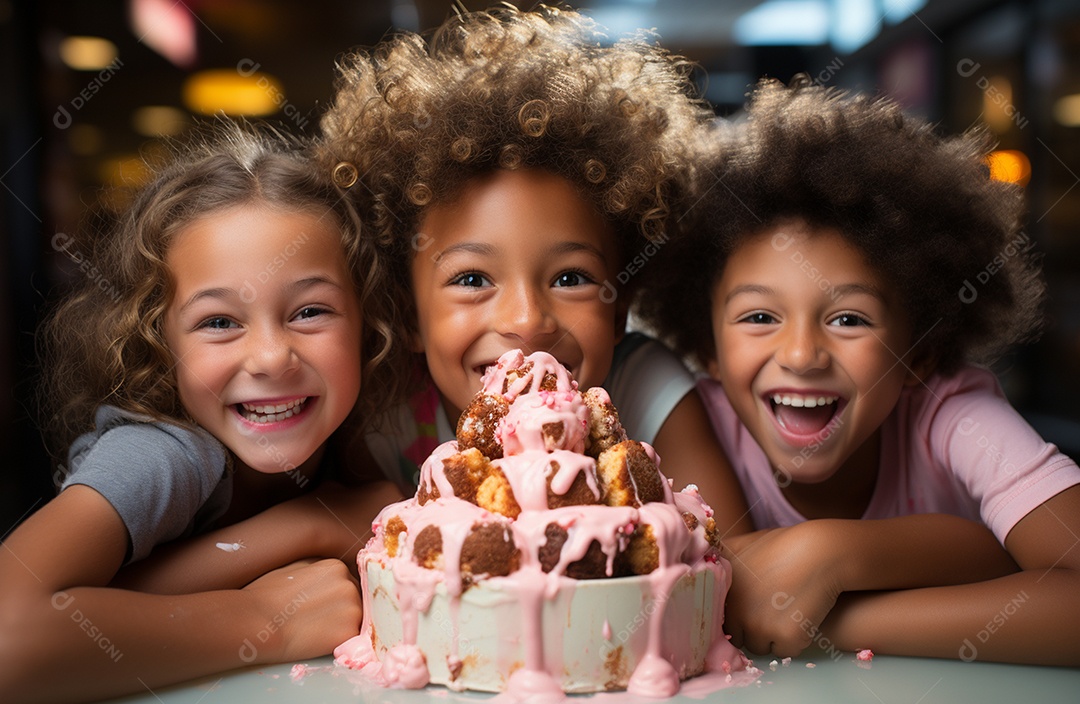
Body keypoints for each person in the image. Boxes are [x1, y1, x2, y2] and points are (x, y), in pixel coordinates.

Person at [635, 78, 1080, 665]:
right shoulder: (695, 426)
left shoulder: (952, 414)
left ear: (919, 351)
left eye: (848, 318)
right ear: (708, 346)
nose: (800, 355)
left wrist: (836, 569)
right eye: (760, 316)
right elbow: (721, 595)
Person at [0, 122, 409, 704]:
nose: (271, 356)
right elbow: (10, 635)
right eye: (219, 322)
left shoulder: (352, 438)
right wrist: (268, 615)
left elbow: (126, 594)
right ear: (159, 344)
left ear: (368, 325)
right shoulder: (163, 454)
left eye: (310, 311)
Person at [317, 5, 752, 536]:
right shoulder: (387, 416)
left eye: (571, 278)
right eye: (472, 279)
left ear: (621, 311)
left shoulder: (643, 387)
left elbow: (725, 556)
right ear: (408, 313)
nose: (526, 321)